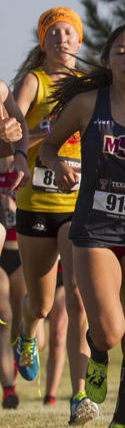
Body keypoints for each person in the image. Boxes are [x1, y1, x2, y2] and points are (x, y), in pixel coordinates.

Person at [40, 22, 125, 428]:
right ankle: (97, 351)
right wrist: (58, 164)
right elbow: (47, 146)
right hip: (95, 229)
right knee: (110, 331)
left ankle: (120, 423)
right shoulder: (86, 105)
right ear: (106, 59)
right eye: (120, 51)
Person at [12, 7, 97, 425]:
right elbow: (10, 131)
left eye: (69, 33)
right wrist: (41, 136)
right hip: (35, 206)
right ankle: (27, 333)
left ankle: (78, 395)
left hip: (77, 205)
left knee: (79, 295)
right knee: (41, 304)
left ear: (79, 41)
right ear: (43, 41)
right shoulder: (34, 81)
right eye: (54, 33)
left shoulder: (88, 86)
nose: (62, 39)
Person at [0, 81, 30, 409]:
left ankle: (23, 351)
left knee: (20, 316)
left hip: (21, 250)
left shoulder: (21, 154)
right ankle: (8, 386)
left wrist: (20, 151)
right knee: (3, 312)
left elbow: (23, 126)